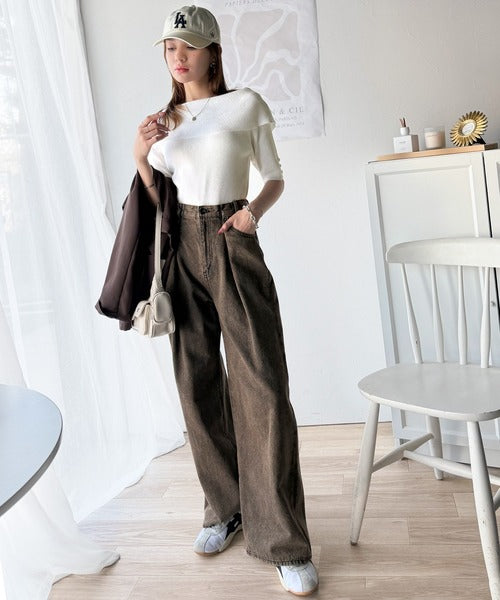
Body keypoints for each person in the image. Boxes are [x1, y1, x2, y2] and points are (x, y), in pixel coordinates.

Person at [133, 5, 318, 596]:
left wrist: (250, 214)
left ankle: (284, 542)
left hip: (231, 237)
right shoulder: (165, 120)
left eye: (188, 46)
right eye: (170, 48)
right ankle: (225, 508)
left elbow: (275, 176)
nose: (178, 57)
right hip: (182, 247)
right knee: (197, 383)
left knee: (262, 385)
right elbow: (157, 195)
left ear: (212, 50)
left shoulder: (245, 105)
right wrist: (140, 154)